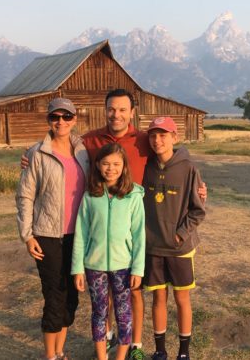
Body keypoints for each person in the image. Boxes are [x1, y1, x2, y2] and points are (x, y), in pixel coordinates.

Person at [22, 89, 207, 360]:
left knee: (132, 291)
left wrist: (198, 185)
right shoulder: (89, 141)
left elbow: (174, 152)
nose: (116, 114)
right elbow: (59, 147)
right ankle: (107, 340)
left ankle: (135, 345)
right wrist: (29, 156)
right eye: (111, 109)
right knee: (103, 296)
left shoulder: (144, 139)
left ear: (132, 112)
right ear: (105, 110)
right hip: (99, 227)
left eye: (122, 109)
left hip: (138, 228)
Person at [16, 97, 89, 360]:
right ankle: (50, 356)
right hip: (47, 235)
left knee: (72, 296)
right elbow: (25, 195)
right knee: (54, 295)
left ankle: (60, 351)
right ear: (48, 120)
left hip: (79, 236)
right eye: (55, 117)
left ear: (74, 120)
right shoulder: (37, 153)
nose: (61, 122)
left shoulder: (84, 152)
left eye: (66, 117)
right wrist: (27, 235)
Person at [71, 143, 145, 360]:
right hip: (94, 267)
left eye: (116, 164)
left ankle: (121, 357)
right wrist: (77, 268)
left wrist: (138, 269)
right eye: (105, 163)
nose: (110, 169)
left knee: (124, 314)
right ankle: (102, 357)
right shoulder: (89, 197)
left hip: (124, 266)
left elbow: (139, 235)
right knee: (99, 313)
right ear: (97, 165)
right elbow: (81, 234)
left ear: (124, 167)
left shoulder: (133, 196)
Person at [142, 116, 206, 360]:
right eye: (153, 135)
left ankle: (183, 352)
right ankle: (160, 350)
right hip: (153, 246)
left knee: (181, 298)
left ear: (174, 137)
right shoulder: (145, 167)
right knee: (158, 297)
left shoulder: (188, 168)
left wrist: (180, 234)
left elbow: (198, 210)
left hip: (180, 248)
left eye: (163, 135)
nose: (157, 140)